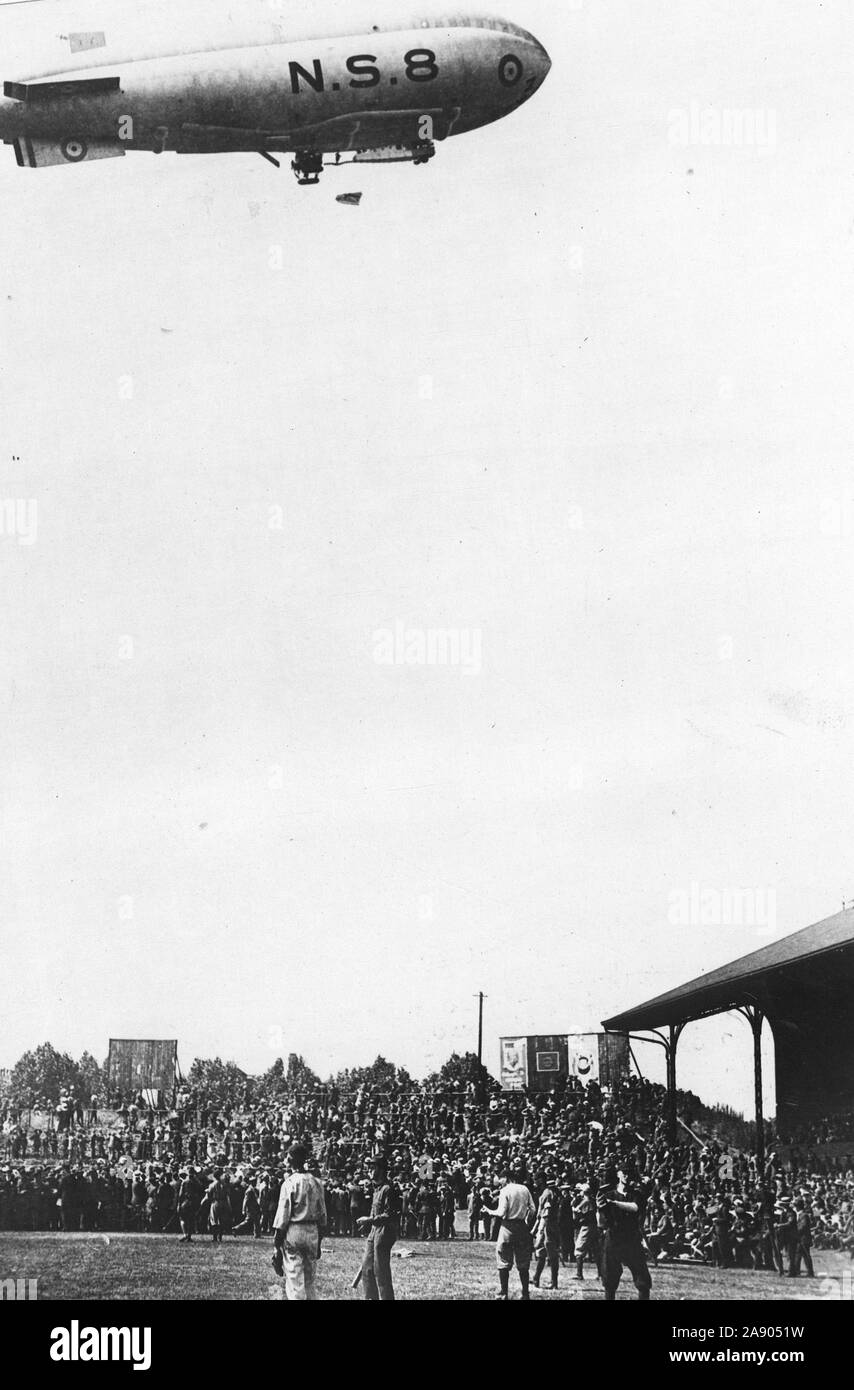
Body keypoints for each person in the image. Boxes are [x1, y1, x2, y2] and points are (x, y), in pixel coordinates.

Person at [272, 1144, 327, 1301]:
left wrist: (276, 1244)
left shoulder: (290, 1183)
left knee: (295, 1281)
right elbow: (323, 1217)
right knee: (309, 1281)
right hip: (313, 1231)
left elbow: (282, 1217)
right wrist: (319, 1242)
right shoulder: (317, 1182)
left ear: (290, 1159)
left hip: (294, 1230)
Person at [596, 1162, 652, 1301]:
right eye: (624, 1172)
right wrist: (599, 1207)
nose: (626, 1175)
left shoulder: (636, 1194)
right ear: (618, 1174)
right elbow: (600, 1222)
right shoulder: (608, 1194)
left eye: (629, 1172)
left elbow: (635, 1207)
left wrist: (613, 1203)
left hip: (631, 1237)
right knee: (609, 1280)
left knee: (642, 1280)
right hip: (613, 1237)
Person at [483, 1165, 536, 1301]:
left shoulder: (505, 1190)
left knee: (503, 1260)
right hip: (522, 1227)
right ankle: (525, 1293)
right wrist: (526, 1222)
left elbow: (501, 1212)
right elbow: (533, 1209)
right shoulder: (525, 1189)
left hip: (507, 1227)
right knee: (523, 1262)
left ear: (505, 1178)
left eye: (500, 1179)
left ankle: (503, 1293)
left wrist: (489, 1211)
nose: (500, 1182)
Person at [356, 1156, 400, 1301]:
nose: (369, 1170)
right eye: (369, 1167)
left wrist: (369, 1220)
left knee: (381, 1272)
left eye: (373, 1167)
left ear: (381, 1170)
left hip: (385, 1232)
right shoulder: (376, 1189)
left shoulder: (388, 1189)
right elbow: (374, 1211)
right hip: (374, 1231)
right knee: (367, 1269)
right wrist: (367, 1224)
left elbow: (389, 1214)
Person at [532, 1171, 561, 1290]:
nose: (534, 1182)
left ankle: (554, 1282)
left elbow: (546, 1214)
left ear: (541, 1180)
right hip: (544, 1225)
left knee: (551, 1254)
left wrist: (542, 1230)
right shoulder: (545, 1193)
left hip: (548, 1226)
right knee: (541, 1253)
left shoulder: (547, 1194)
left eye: (536, 1180)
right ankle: (536, 1278)